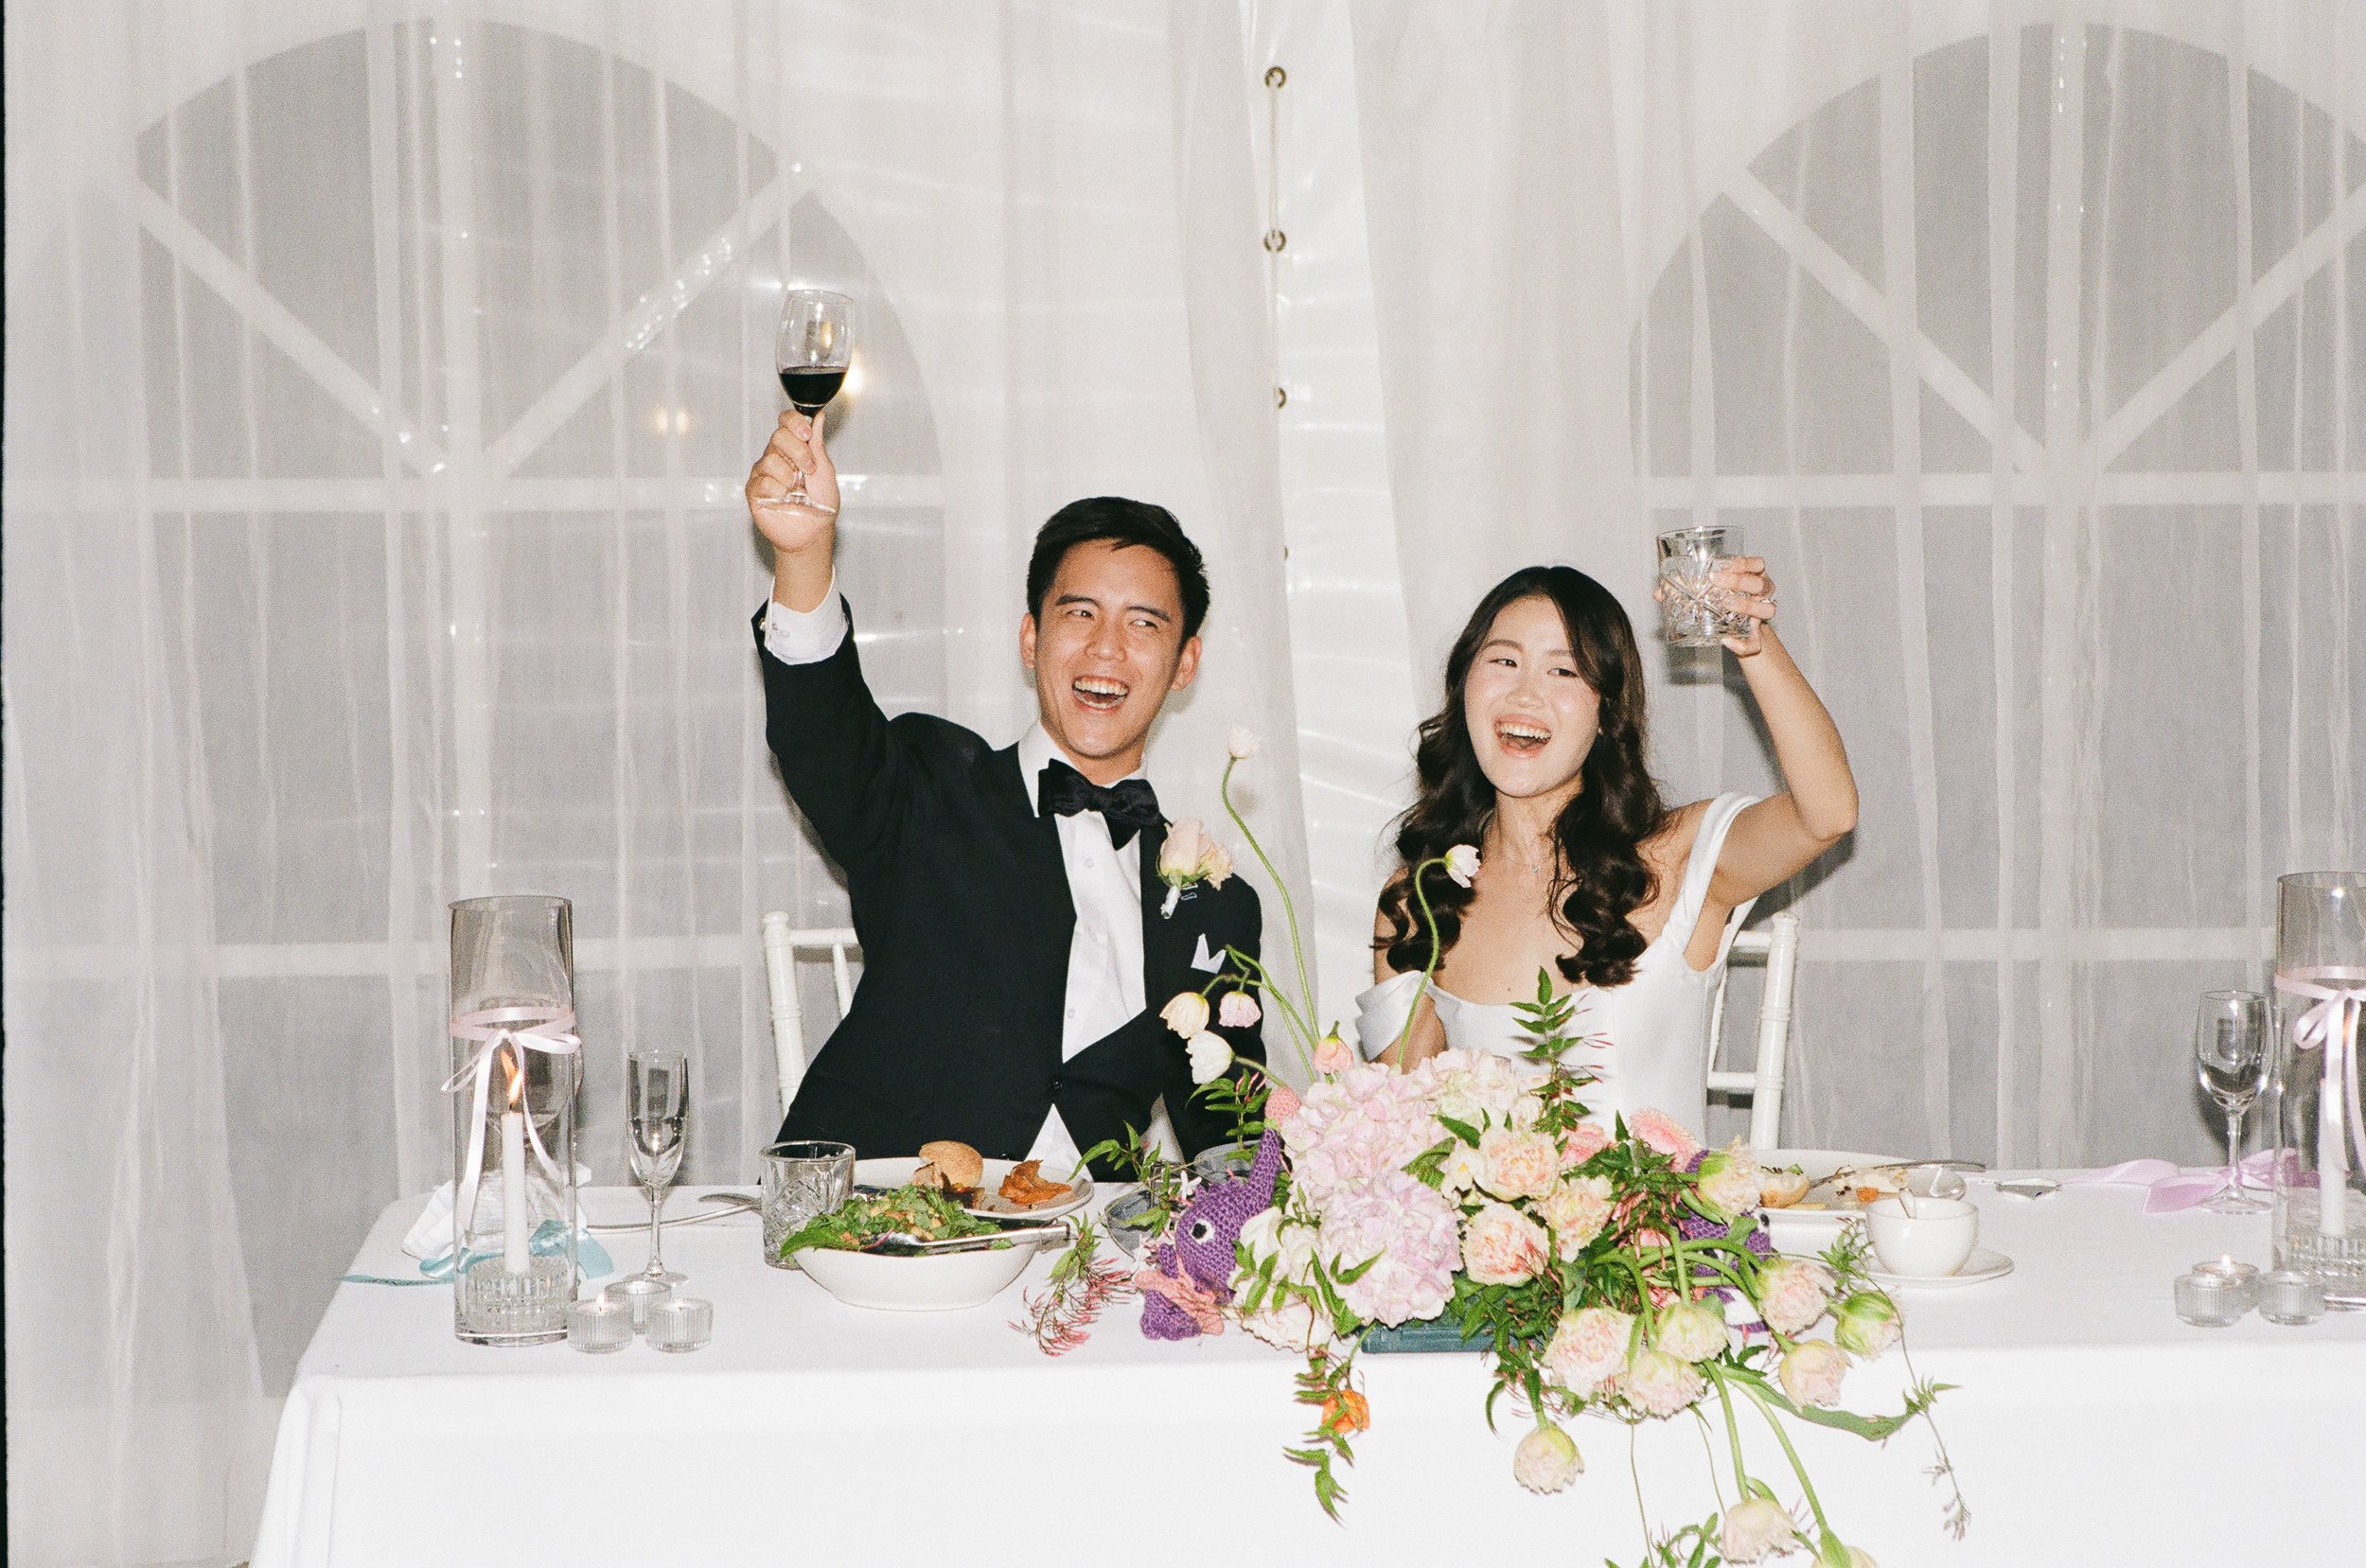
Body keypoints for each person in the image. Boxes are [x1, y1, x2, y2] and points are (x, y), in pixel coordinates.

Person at [746, 411, 1262, 1176]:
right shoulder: (930, 785)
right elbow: (823, 739)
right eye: (1079, 613)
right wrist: (805, 555)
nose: (1106, 648)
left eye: (1143, 624)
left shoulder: (1217, 903)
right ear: (1031, 639)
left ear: (1185, 663)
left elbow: (1228, 1133)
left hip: (1076, 1269)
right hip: (867, 1234)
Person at [1358, 560, 1855, 1140]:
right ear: (1464, 686)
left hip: (1662, 1229)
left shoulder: (1673, 858)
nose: (1526, 693)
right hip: (1487, 1232)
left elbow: (1827, 814)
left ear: (1606, 714)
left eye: (1564, 671)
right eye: (1504, 661)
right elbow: (1393, 1130)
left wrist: (1753, 644)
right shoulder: (1420, 896)